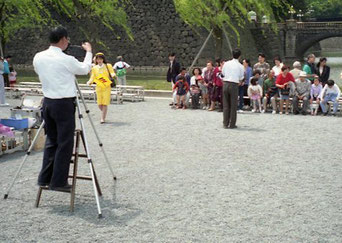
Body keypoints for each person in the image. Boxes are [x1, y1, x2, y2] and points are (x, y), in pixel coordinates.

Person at [33, 26, 92, 192]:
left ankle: (44, 178)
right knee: (65, 143)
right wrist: (89, 52)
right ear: (63, 39)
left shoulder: (38, 57)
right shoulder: (66, 59)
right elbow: (85, 69)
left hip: (48, 102)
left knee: (51, 141)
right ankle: (58, 181)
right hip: (63, 103)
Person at [87, 52, 115, 123]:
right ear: (96, 60)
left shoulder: (108, 66)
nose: (99, 60)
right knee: (99, 104)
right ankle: (104, 112)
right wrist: (89, 82)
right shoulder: (94, 68)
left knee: (105, 103)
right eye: (98, 59)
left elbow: (112, 72)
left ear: (103, 59)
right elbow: (92, 77)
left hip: (106, 86)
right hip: (99, 86)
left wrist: (113, 75)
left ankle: (103, 118)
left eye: (100, 59)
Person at [221, 49, 244, 129]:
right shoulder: (241, 66)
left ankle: (225, 123)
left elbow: (223, 74)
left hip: (225, 83)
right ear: (240, 56)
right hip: (234, 84)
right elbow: (241, 77)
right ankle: (232, 124)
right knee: (233, 105)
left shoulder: (226, 64)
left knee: (226, 104)